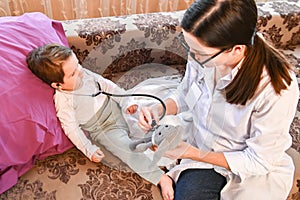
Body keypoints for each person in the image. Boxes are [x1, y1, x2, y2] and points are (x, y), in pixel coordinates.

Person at [137, 0, 299, 200]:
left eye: (200, 53)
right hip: (202, 149)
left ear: (237, 49)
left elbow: (258, 160)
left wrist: (192, 153)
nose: (192, 56)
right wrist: (160, 109)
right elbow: (187, 92)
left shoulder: (276, 89)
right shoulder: (201, 54)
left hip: (248, 166)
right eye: (189, 47)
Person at [26, 43, 171, 186]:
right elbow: (72, 129)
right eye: (73, 74)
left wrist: (126, 101)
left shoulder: (85, 74)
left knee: (149, 120)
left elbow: (107, 85)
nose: (80, 72)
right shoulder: (63, 101)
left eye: (78, 65)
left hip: (117, 107)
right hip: (104, 128)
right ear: (58, 85)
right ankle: (160, 178)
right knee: (127, 150)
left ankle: (169, 148)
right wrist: (89, 150)